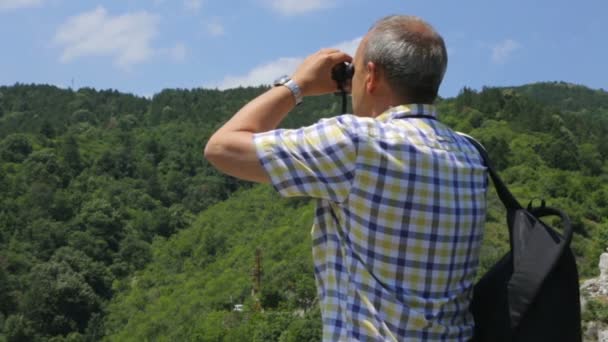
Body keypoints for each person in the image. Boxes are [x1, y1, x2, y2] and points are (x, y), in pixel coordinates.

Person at [205, 15, 488, 341]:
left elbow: (221, 147)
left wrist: (296, 85)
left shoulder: (357, 143)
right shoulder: (470, 154)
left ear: (371, 76)